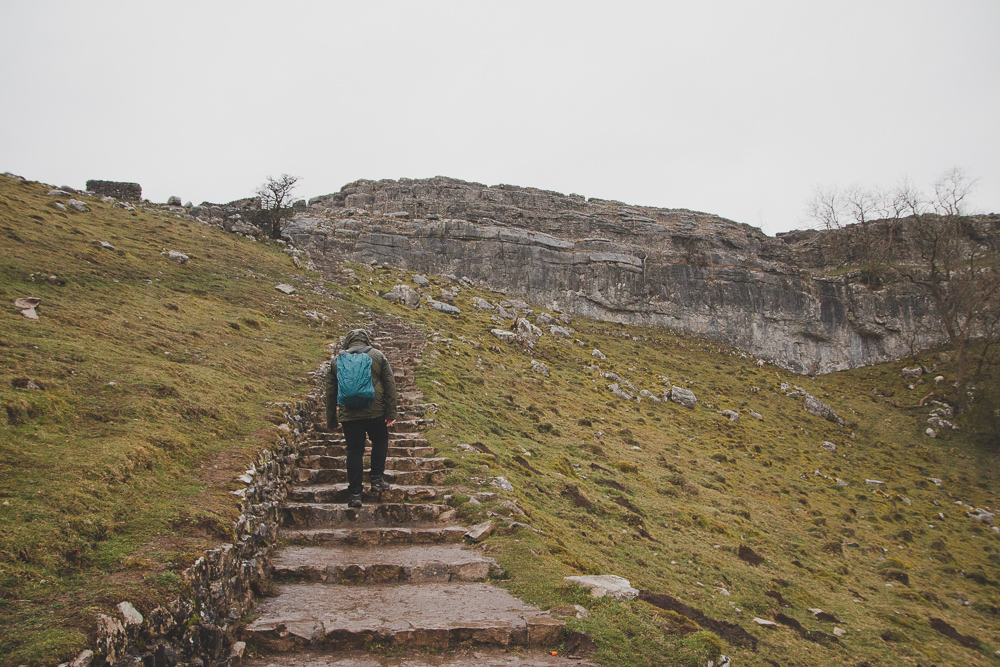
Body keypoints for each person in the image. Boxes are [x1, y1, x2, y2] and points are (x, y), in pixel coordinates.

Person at [325, 329, 397, 509]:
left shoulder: (337, 361)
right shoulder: (377, 356)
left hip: (349, 414)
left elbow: (330, 391)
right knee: (380, 440)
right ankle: (376, 480)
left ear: (347, 342)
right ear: (366, 341)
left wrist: (332, 419)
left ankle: (355, 493)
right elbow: (390, 384)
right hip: (375, 411)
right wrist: (391, 413)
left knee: (354, 451)